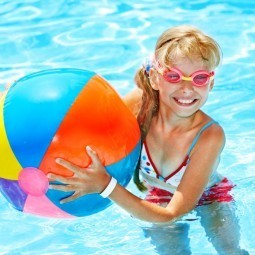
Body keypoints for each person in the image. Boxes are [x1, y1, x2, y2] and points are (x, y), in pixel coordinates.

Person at [48, 25, 248, 254]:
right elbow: (96, 133)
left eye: (199, 78)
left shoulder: (209, 136)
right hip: (159, 196)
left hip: (211, 197)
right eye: (173, 76)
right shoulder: (140, 107)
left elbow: (173, 214)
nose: (187, 88)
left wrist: (106, 186)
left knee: (231, 251)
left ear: (211, 83)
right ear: (155, 78)